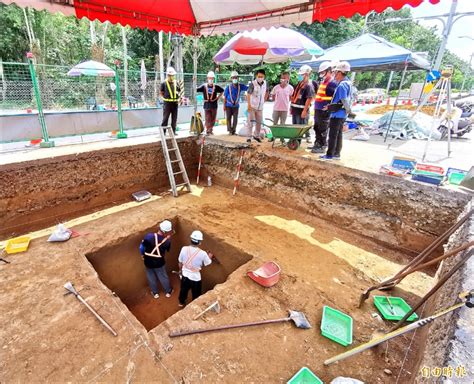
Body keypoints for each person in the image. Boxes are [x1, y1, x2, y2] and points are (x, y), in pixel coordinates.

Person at [320, 61, 353, 161]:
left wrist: (349, 111)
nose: (334, 75)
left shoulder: (342, 85)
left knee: (333, 135)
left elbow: (344, 100)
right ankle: (336, 154)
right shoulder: (348, 84)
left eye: (335, 73)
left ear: (340, 72)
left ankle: (330, 154)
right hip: (341, 114)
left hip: (337, 114)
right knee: (338, 134)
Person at [178, 230, 214, 307]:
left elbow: (180, 262)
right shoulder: (203, 253)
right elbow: (208, 263)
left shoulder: (184, 249)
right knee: (196, 293)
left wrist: (180, 271)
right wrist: (209, 256)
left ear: (191, 240)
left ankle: (181, 302)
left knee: (183, 290)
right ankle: (194, 306)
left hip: (185, 274)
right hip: (195, 277)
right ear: (200, 242)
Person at [140, 220, 174, 299]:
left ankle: (155, 293)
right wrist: (167, 239)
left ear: (160, 228)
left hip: (148, 261)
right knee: (162, 276)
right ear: (166, 232)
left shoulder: (149, 236)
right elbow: (167, 249)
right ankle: (168, 292)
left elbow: (142, 247)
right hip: (159, 262)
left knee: (151, 277)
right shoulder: (167, 242)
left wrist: (142, 255)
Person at [311, 61, 337, 153]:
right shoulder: (323, 82)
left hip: (324, 110)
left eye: (323, 72)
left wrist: (328, 108)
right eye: (321, 72)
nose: (321, 74)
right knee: (317, 127)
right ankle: (317, 143)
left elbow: (332, 99)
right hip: (318, 109)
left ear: (329, 71)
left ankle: (322, 145)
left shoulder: (331, 83)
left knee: (323, 128)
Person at [290, 64, 315, 143]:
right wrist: (291, 107)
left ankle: (298, 142)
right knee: (295, 127)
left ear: (307, 74)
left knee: (300, 128)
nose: (300, 76)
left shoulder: (309, 85)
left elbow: (309, 98)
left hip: (301, 110)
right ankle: (295, 142)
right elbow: (295, 96)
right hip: (295, 110)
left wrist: (304, 111)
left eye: (301, 75)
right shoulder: (300, 84)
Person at [197, 71, 224, 135]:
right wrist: (194, 81)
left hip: (214, 105)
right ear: (207, 78)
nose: (211, 80)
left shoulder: (216, 87)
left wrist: (217, 98)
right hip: (206, 105)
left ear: (213, 79)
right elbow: (196, 89)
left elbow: (222, 91)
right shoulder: (204, 86)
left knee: (213, 118)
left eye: (212, 78)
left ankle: (210, 130)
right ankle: (208, 130)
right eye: (210, 78)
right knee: (207, 118)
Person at [223, 71, 248, 135]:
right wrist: (224, 106)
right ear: (231, 78)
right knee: (228, 118)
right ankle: (230, 131)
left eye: (236, 77)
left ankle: (233, 131)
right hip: (228, 105)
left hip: (236, 106)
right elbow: (225, 97)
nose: (235, 79)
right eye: (233, 78)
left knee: (235, 119)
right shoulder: (228, 87)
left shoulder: (240, 86)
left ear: (238, 78)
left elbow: (248, 88)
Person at [246, 69, 267, 143]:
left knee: (259, 123)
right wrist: (249, 105)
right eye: (259, 76)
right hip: (252, 106)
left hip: (260, 107)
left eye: (262, 76)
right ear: (256, 76)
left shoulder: (265, 83)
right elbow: (248, 94)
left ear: (264, 76)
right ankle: (249, 137)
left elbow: (265, 92)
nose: (260, 77)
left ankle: (256, 136)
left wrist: (264, 100)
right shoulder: (253, 84)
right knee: (250, 122)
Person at [160, 67, 181, 134]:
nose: (171, 76)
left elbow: (179, 91)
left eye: (172, 75)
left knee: (174, 118)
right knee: (165, 118)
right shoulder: (164, 83)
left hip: (175, 103)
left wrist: (179, 99)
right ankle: (163, 132)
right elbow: (161, 92)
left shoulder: (176, 82)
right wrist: (166, 98)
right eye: (169, 75)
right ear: (167, 75)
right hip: (167, 103)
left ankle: (173, 132)